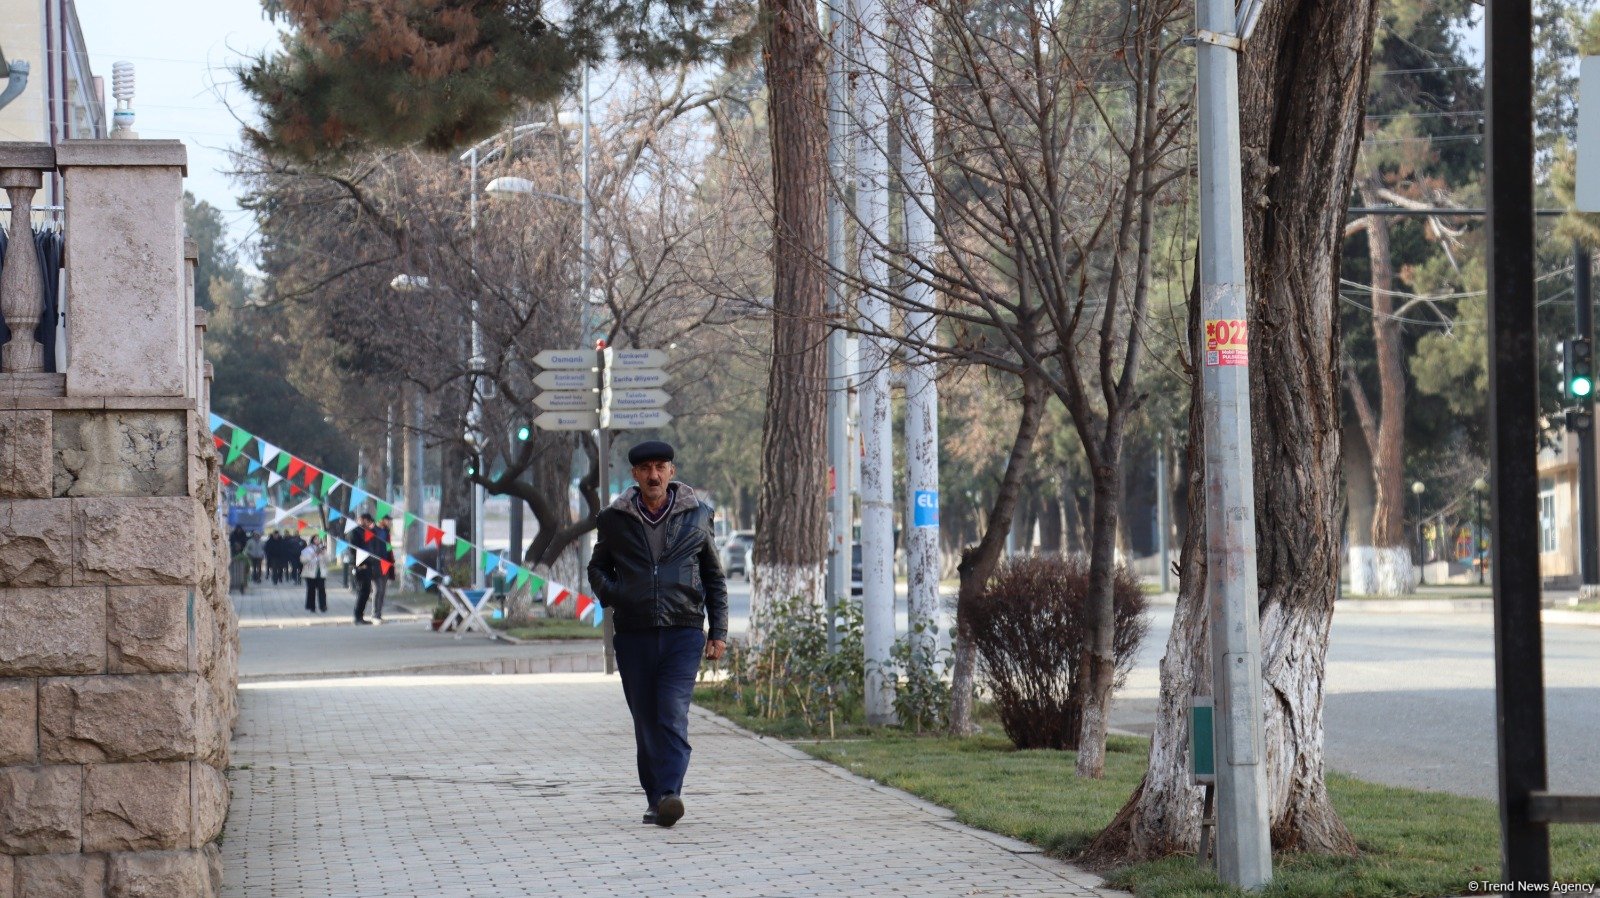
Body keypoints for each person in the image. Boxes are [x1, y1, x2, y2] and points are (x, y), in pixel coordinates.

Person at [587, 440, 728, 829]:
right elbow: (597, 568)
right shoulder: (614, 519)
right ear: (635, 474)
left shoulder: (698, 515)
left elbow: (714, 576)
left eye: (660, 467)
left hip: (683, 630)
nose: (653, 475)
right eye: (646, 468)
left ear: (671, 471)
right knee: (646, 721)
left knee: (671, 711)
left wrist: (718, 631)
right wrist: (616, 595)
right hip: (633, 633)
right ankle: (656, 800)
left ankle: (669, 793)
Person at [350, 513, 381, 625]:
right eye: (368, 522)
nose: (369, 524)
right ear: (362, 520)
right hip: (360, 566)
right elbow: (353, 550)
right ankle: (357, 616)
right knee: (362, 591)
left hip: (368, 565)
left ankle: (360, 616)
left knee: (367, 591)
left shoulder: (367, 532)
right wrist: (359, 563)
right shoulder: (355, 532)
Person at [373, 515, 395, 620]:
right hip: (376, 564)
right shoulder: (374, 531)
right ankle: (375, 613)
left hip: (386, 564)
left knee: (383, 590)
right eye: (388, 520)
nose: (389, 522)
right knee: (378, 589)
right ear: (381, 520)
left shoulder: (386, 532)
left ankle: (379, 613)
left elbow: (389, 548)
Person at [302, 535, 330, 613]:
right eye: (316, 539)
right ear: (312, 540)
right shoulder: (308, 549)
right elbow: (303, 560)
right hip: (310, 573)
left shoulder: (322, 549)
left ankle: (323, 606)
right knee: (311, 590)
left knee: (322, 590)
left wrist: (324, 553)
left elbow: (328, 560)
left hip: (320, 573)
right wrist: (313, 555)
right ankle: (311, 607)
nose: (317, 541)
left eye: (318, 539)